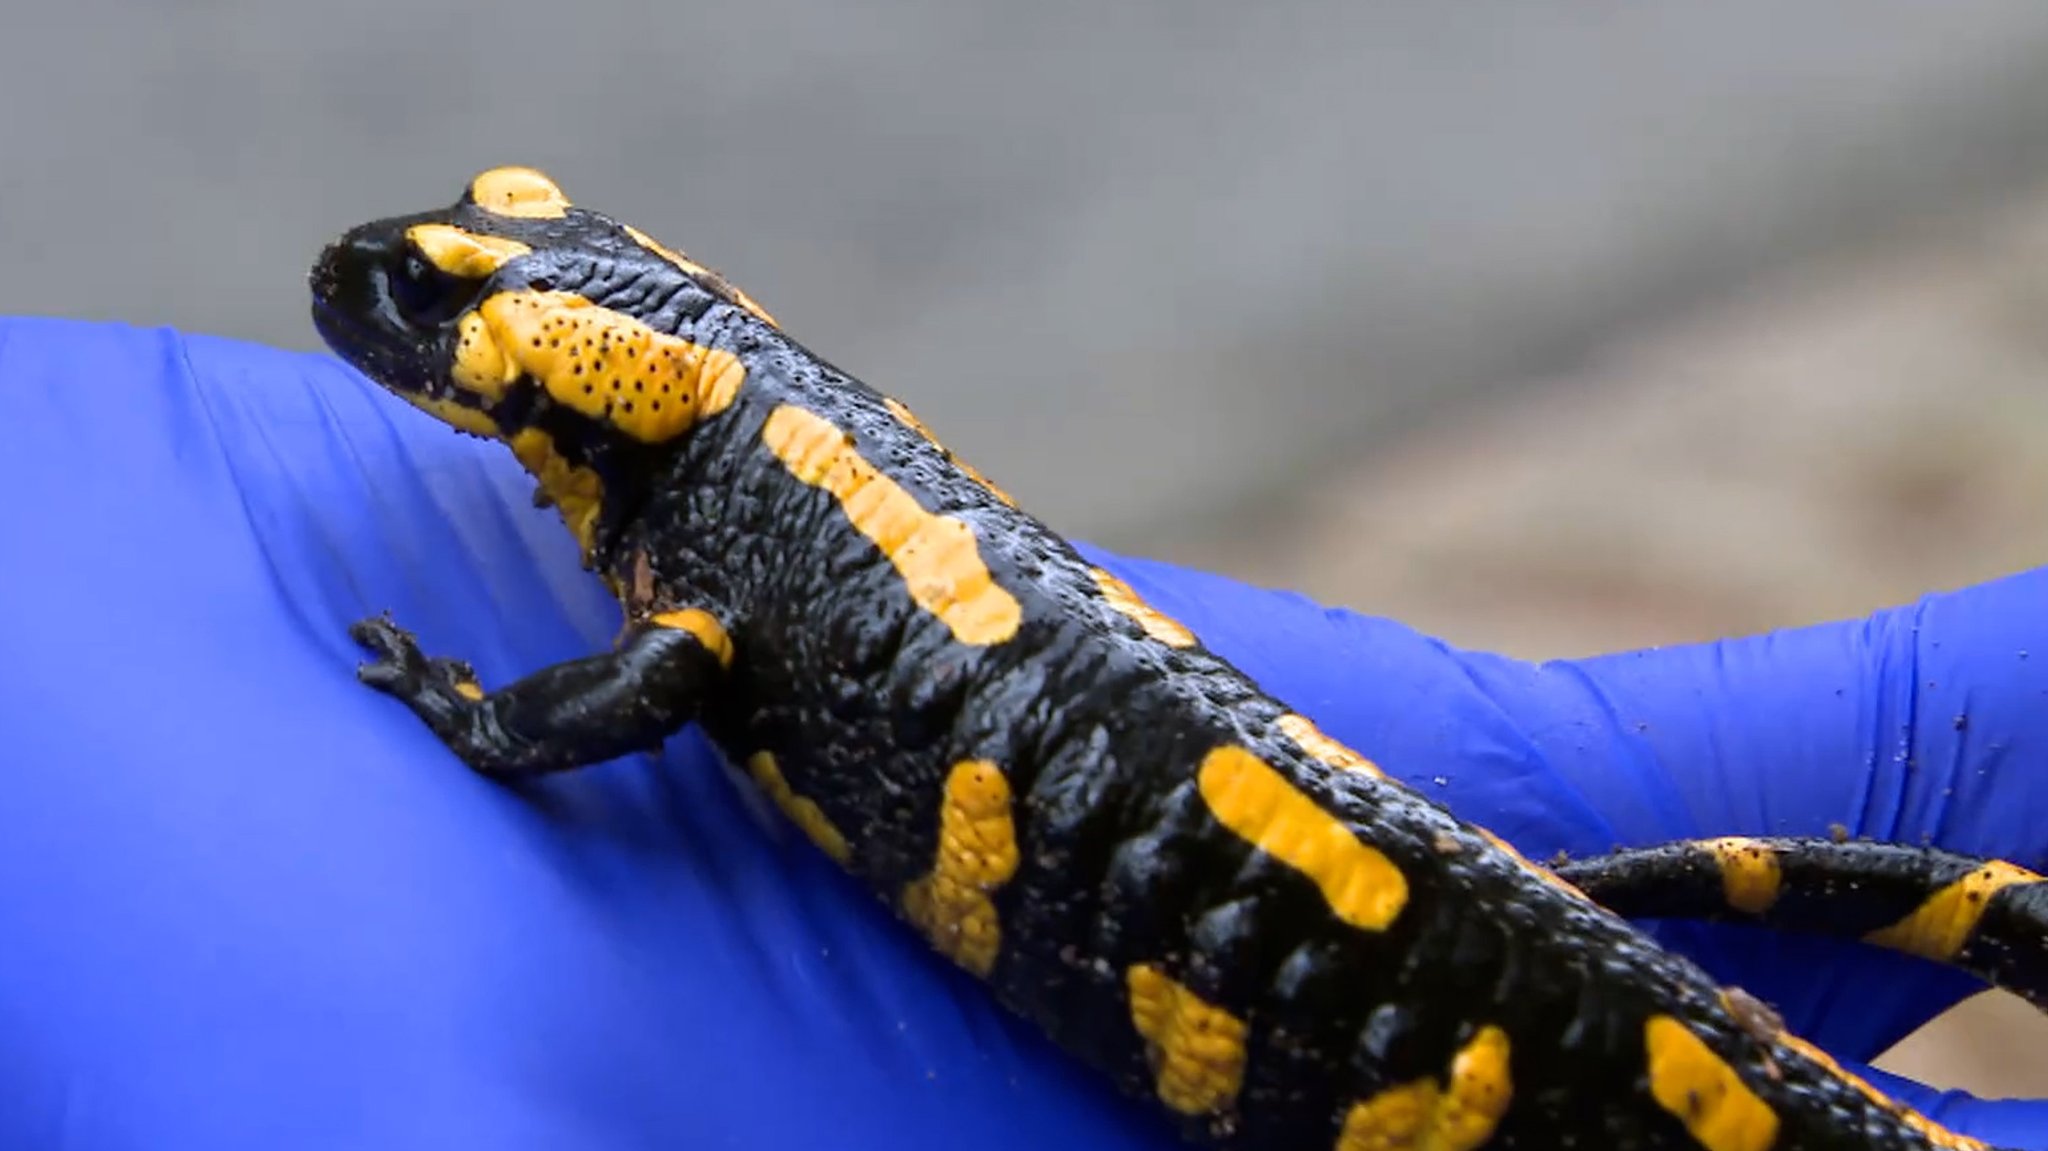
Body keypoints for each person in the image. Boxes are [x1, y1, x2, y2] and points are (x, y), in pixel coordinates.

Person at [1, 314, 2043, 1149]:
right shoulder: (723, 492)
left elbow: (649, 687)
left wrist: (477, 719)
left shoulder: (704, 535)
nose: (391, 307)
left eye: (465, 310)